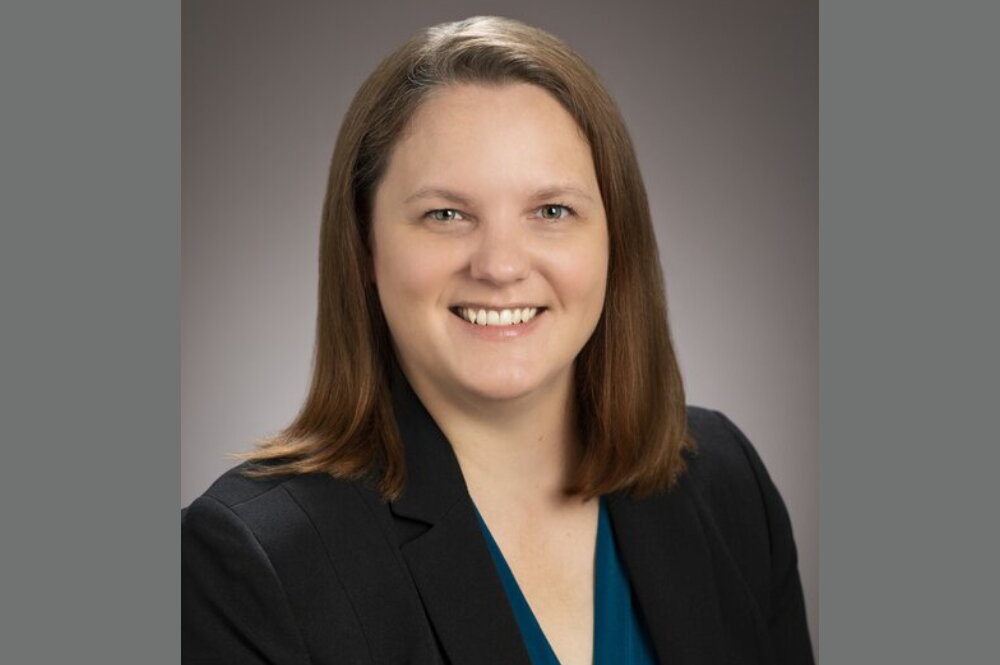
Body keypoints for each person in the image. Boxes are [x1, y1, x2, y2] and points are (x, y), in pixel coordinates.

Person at [182, 15, 813, 665]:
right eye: (446, 214)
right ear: (364, 246)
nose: (501, 265)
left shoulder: (724, 482)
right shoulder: (255, 560)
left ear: (614, 240)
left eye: (551, 211)